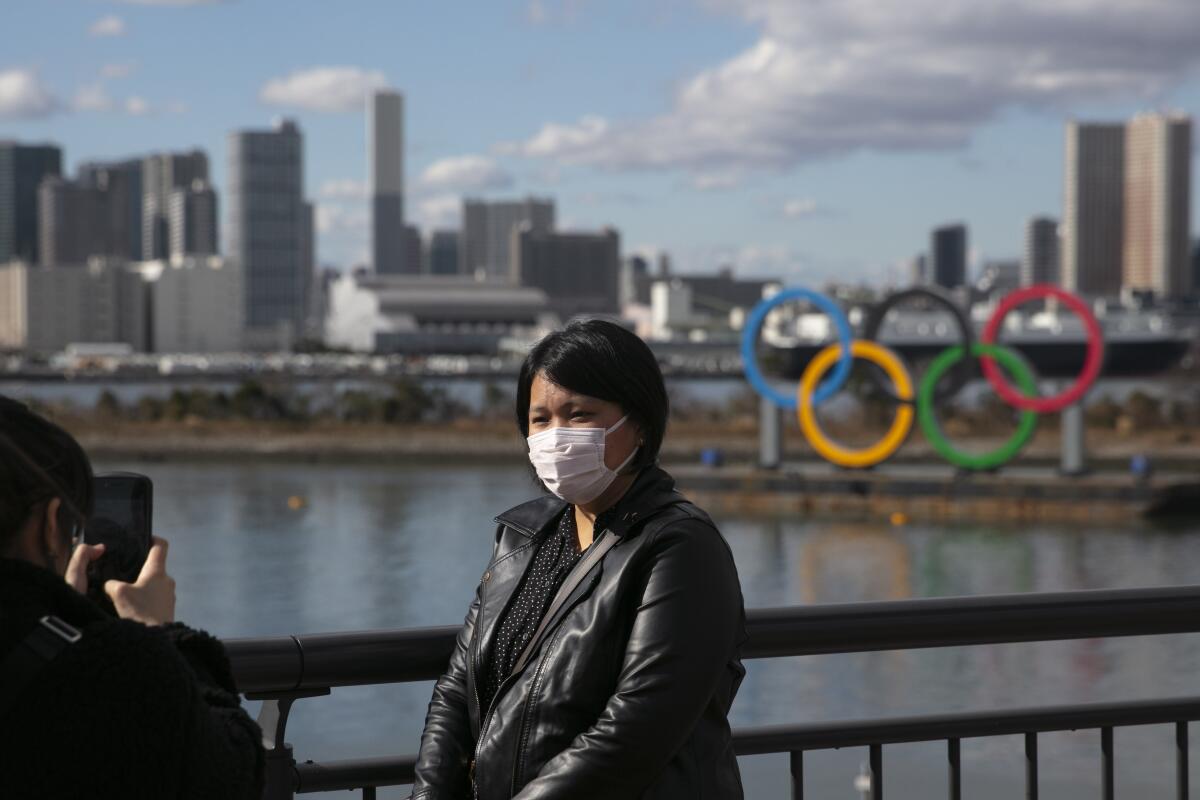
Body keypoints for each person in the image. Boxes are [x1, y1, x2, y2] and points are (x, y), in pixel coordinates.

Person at [411, 319, 747, 799]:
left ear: (639, 424)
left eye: (580, 414)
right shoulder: (522, 538)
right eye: (540, 419)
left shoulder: (680, 547)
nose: (556, 436)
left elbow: (637, 728)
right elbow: (457, 689)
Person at [0, 396, 264, 798]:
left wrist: (61, 616)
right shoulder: (114, 669)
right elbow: (233, 774)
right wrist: (160, 633)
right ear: (51, 525)